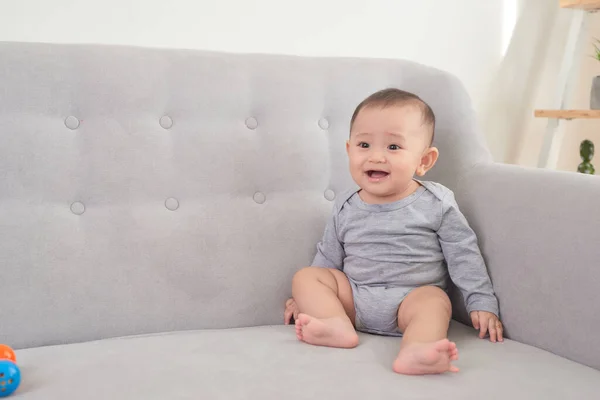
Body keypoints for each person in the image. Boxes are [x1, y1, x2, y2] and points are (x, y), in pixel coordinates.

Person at [283, 88, 503, 375]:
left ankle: (418, 349)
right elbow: (328, 256)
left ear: (424, 161)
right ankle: (335, 326)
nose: (375, 157)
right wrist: (309, 300)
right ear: (349, 150)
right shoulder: (347, 205)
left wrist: (482, 302)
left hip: (409, 303)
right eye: (364, 145)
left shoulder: (436, 203)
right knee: (306, 276)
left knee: (435, 301)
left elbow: (464, 254)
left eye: (393, 147)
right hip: (354, 300)